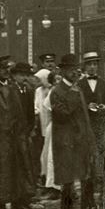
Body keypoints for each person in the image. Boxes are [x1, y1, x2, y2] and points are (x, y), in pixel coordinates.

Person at [0, 54, 35, 209]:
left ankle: (17, 205)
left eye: (7, 68)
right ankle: (1, 205)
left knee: (18, 169)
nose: (5, 71)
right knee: (0, 171)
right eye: (2, 68)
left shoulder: (13, 86)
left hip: (16, 136)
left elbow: (21, 112)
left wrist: (24, 132)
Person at [49, 54, 96, 209]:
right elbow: (63, 114)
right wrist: (72, 92)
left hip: (81, 137)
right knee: (67, 176)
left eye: (75, 69)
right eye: (69, 70)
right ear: (62, 71)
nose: (74, 73)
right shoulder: (56, 91)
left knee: (85, 172)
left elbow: (83, 115)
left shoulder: (78, 89)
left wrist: (89, 136)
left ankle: (87, 207)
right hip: (65, 140)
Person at [78, 52, 105, 209]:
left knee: (101, 160)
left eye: (95, 64)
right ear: (84, 66)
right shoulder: (79, 85)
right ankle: (86, 199)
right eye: (89, 64)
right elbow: (76, 106)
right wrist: (86, 107)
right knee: (87, 161)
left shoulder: (104, 84)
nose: (92, 67)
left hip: (100, 127)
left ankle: (101, 196)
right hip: (85, 127)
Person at [11, 62, 40, 187]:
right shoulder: (10, 90)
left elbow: (30, 113)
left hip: (25, 132)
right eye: (21, 75)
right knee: (14, 166)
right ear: (14, 76)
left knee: (27, 163)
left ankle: (27, 194)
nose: (24, 78)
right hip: (14, 133)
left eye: (27, 75)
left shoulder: (28, 90)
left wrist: (29, 129)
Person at [35, 69, 60, 197]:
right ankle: (52, 186)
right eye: (56, 79)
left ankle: (59, 186)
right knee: (49, 156)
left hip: (61, 127)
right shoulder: (53, 92)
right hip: (54, 127)